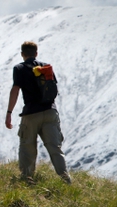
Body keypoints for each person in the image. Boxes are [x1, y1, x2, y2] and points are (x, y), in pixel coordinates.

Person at [5, 41, 71, 184]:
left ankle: (27, 179)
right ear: (36, 53)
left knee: (27, 147)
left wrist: (9, 112)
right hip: (50, 112)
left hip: (31, 114)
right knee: (55, 148)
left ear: (22, 54)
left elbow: (15, 90)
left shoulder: (19, 68)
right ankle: (66, 180)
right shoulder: (46, 68)